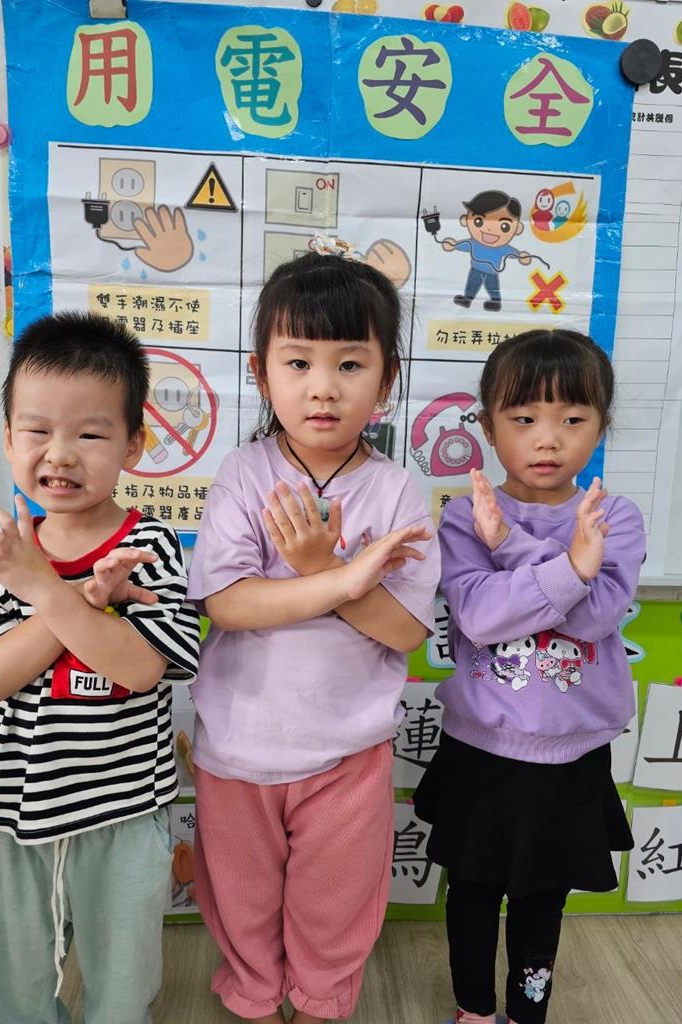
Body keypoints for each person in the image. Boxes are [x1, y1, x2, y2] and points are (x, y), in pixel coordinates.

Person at [187, 252, 441, 1024]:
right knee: (242, 894)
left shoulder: (396, 490)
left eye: (350, 364)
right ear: (261, 375)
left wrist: (319, 569)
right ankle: (256, 997)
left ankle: (323, 999)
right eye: (298, 362)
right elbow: (228, 604)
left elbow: (405, 629)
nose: (323, 387)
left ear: (387, 381)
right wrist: (340, 580)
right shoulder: (243, 473)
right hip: (239, 743)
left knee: (336, 898)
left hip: (349, 750)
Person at [0, 311, 200, 1024]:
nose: (60, 454)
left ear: (134, 443)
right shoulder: (6, 554)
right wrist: (76, 598)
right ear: (9, 440)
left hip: (123, 812)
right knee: (9, 988)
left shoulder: (149, 544)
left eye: (90, 434)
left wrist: (49, 593)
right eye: (37, 431)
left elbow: (143, 670)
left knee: (122, 989)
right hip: (15, 811)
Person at [414, 329, 646, 1024]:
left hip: (571, 756)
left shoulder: (613, 517)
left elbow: (594, 618)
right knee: (472, 889)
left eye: (573, 418)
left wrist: (513, 549)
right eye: (523, 419)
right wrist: (568, 567)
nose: (548, 439)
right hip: (481, 747)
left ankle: (525, 1013)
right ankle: (473, 1010)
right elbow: (480, 617)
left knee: (543, 898)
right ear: (489, 428)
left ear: (601, 425)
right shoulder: (465, 516)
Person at [439, 191, 532, 311]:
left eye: (504, 226)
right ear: (465, 220)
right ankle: (467, 299)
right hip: (475, 269)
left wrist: (521, 256)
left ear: (517, 228)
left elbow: (513, 253)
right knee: (472, 284)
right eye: (478, 221)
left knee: (492, 286)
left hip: (491, 272)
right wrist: (453, 245)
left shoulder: (502, 247)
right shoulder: (474, 243)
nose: (489, 228)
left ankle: (495, 301)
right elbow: (463, 245)